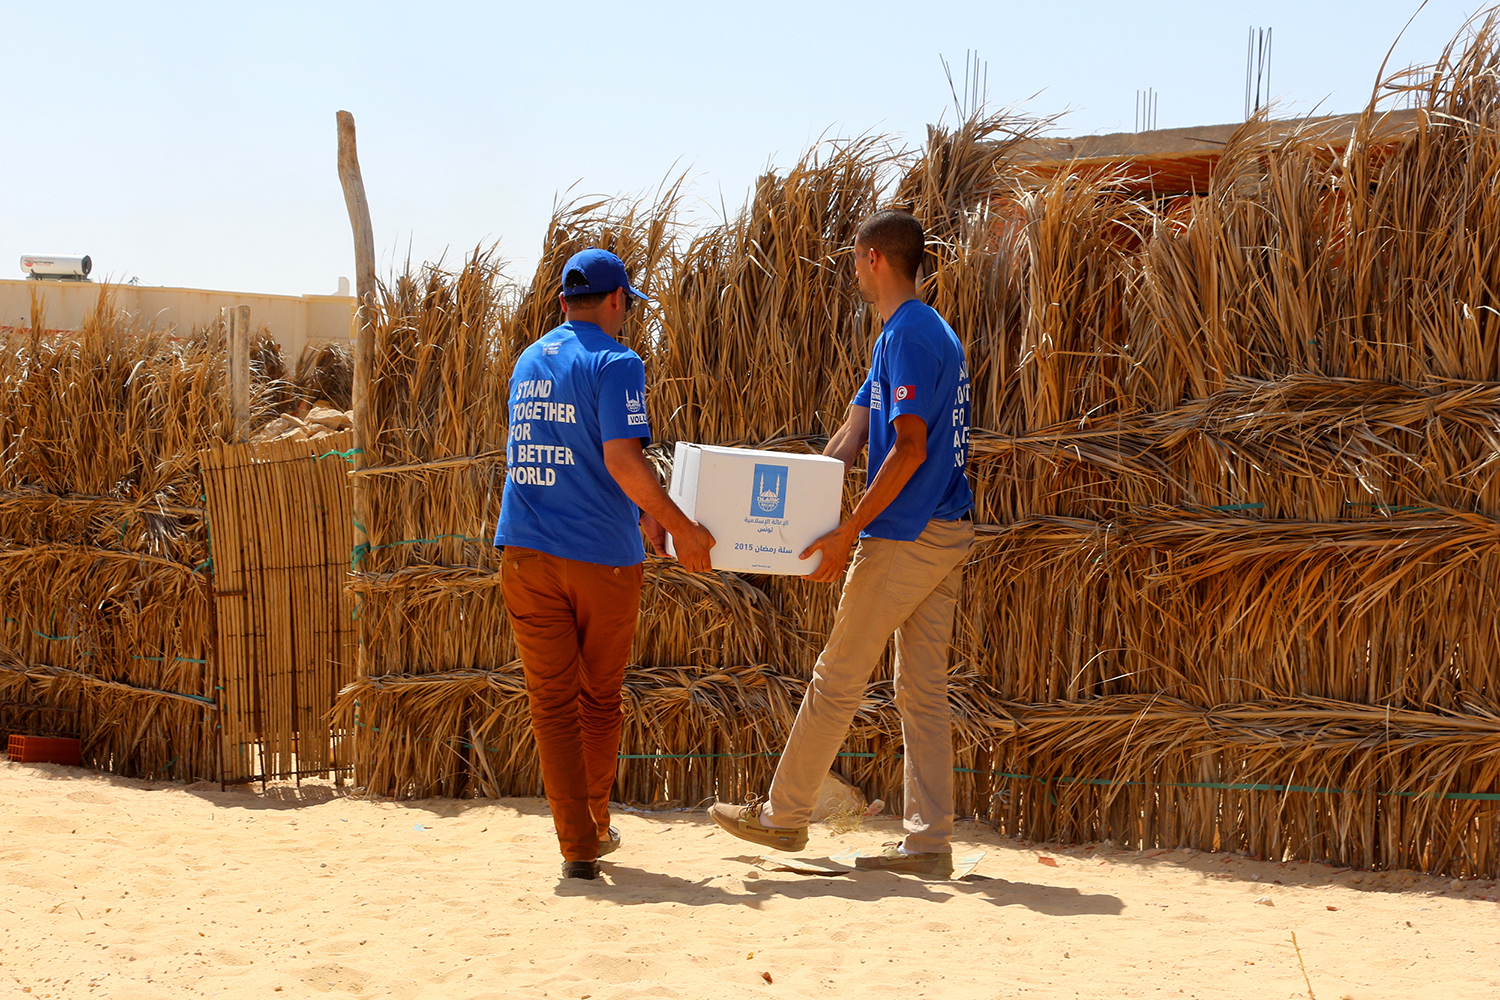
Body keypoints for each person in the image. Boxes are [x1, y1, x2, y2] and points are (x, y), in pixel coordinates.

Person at [709, 210, 974, 877]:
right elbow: (847, 441)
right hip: (944, 529)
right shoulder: (906, 335)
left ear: (872, 258)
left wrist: (845, 532)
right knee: (922, 691)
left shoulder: (911, 335)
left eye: (855, 258)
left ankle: (784, 816)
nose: (852, 268)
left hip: (906, 533)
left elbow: (908, 448)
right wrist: (790, 526)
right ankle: (927, 843)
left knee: (837, 677)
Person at [495, 247, 715, 881]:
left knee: (551, 704)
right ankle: (594, 816)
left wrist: (645, 510)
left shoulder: (528, 360)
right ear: (618, 301)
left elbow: (563, 451)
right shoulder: (619, 361)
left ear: (564, 302)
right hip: (600, 561)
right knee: (598, 700)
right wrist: (682, 529)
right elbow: (621, 461)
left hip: (525, 554)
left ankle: (579, 848)